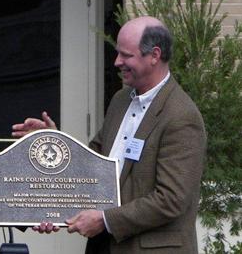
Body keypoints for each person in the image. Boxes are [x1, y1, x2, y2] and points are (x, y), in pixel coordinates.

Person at [12, 16, 207, 253]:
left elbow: (170, 200)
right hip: (103, 246)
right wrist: (53, 141)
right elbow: (94, 162)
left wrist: (104, 220)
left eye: (126, 55)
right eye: (118, 53)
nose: (117, 62)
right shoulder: (120, 100)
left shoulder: (181, 116)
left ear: (154, 55)